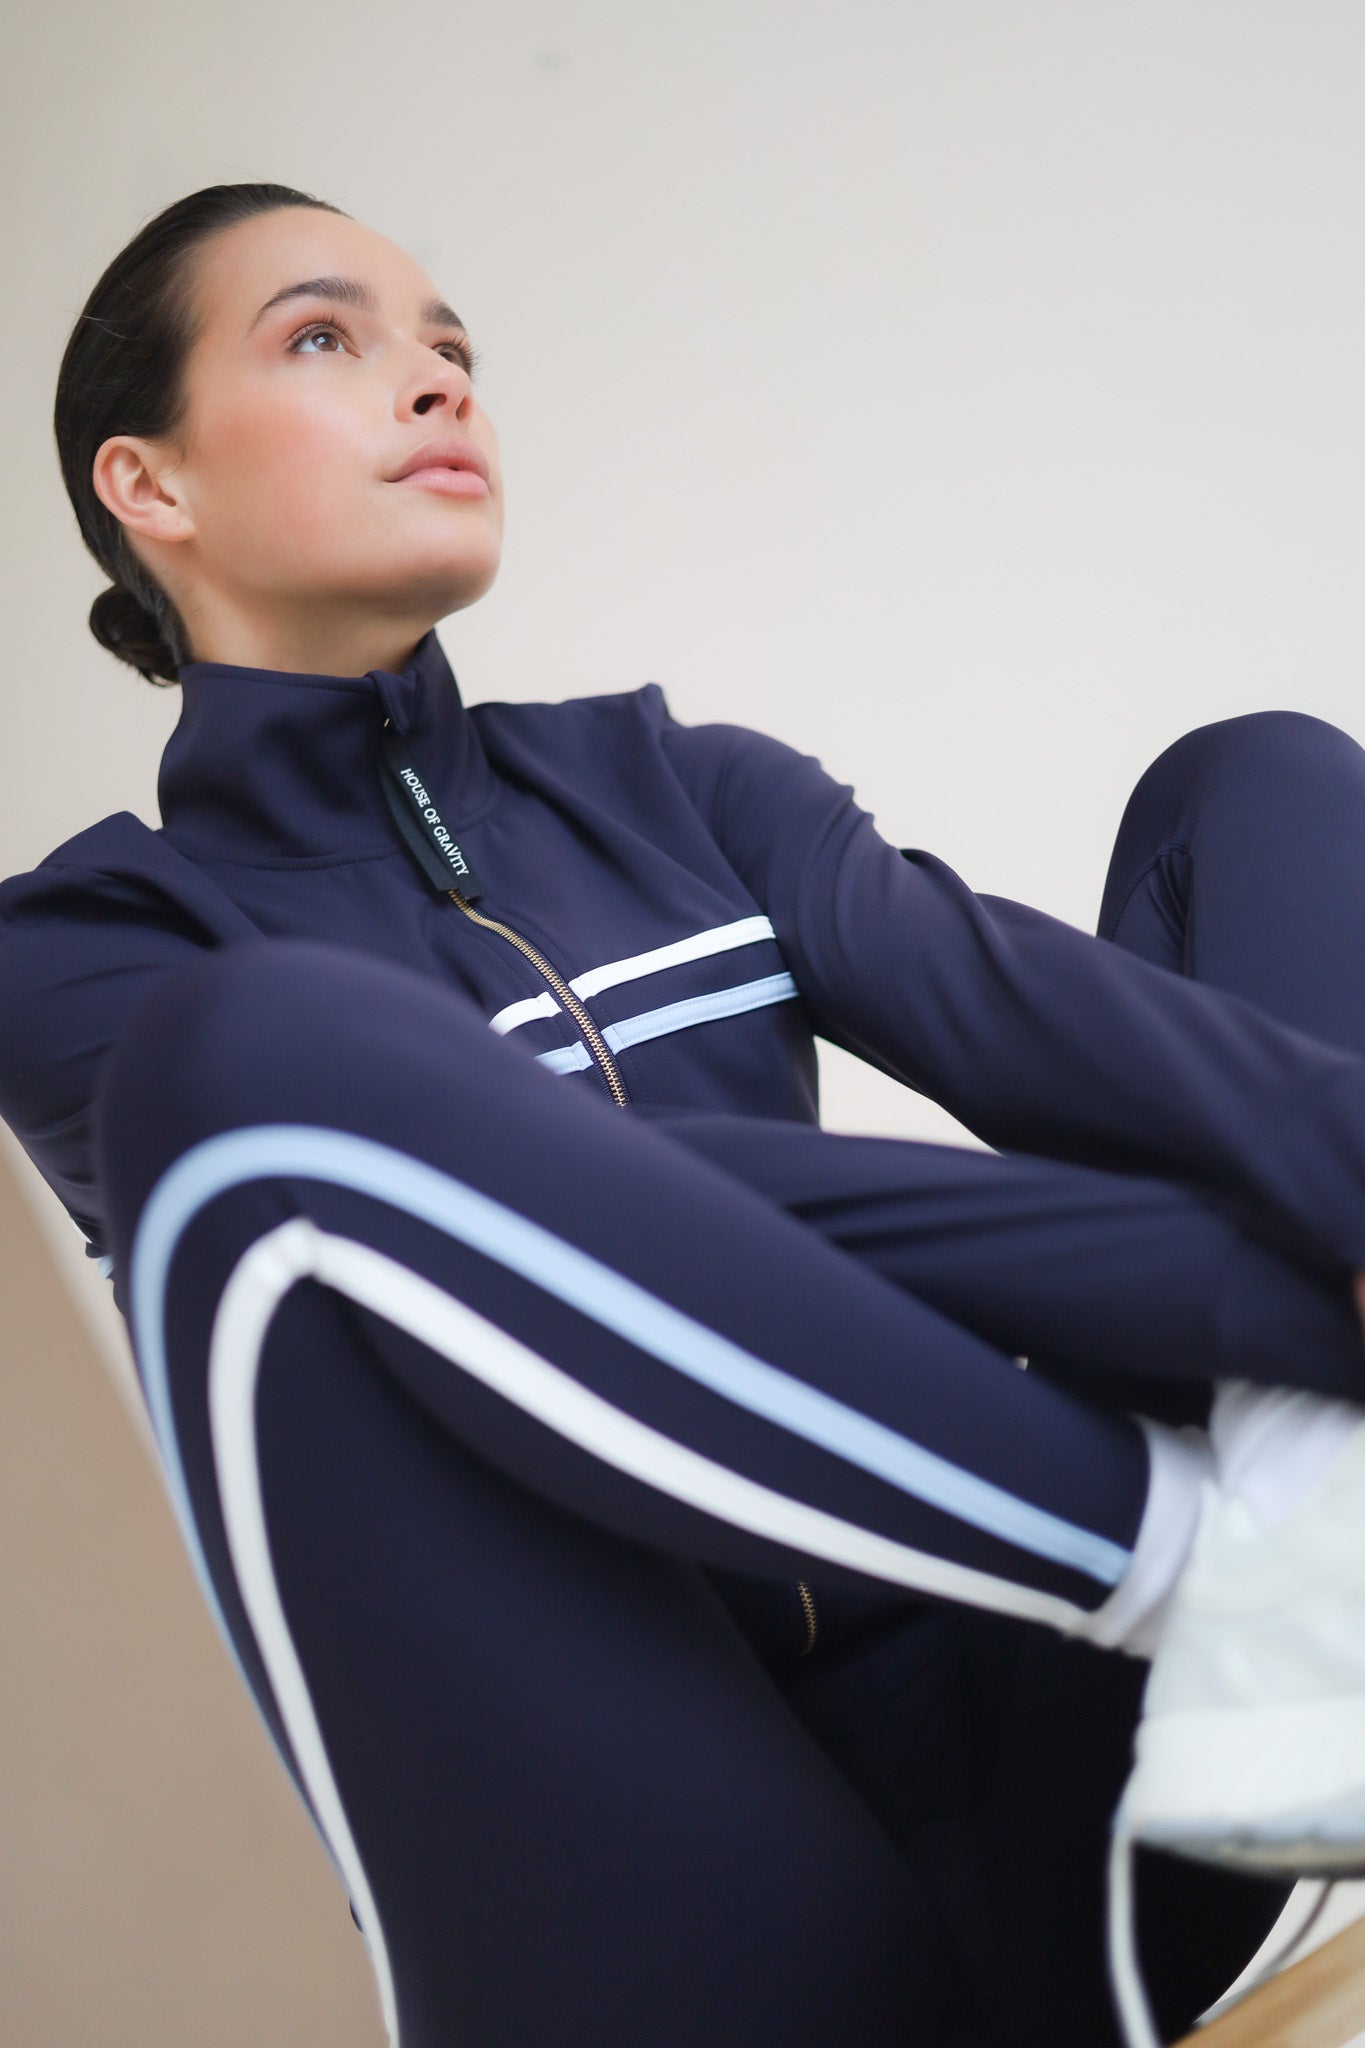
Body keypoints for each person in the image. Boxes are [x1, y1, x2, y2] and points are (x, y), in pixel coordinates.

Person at [5, 180, 1365, 2048]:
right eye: (325, 337)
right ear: (146, 484)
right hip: (668, 1894)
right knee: (254, 1062)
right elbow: (584, 1212)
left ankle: (1308, 1543)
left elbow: (1058, 1036)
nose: (437, 381)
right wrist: (1261, 1300)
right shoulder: (95, 951)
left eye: (451, 346)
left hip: (1083, 1767)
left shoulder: (678, 786)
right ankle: (1215, 1549)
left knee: (1258, 789)